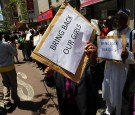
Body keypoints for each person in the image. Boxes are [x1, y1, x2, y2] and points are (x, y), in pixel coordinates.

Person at [87, 9, 134, 115]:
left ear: (126, 20)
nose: (115, 21)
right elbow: (104, 53)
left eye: (119, 19)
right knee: (109, 93)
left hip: (122, 73)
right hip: (109, 72)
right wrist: (97, 51)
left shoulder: (132, 35)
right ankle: (109, 111)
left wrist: (128, 56)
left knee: (120, 98)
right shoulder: (110, 33)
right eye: (115, 18)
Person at [44, 41, 102, 115]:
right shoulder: (57, 64)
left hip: (85, 110)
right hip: (65, 108)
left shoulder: (86, 60)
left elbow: (97, 81)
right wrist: (48, 76)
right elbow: (51, 83)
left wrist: (93, 62)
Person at [0, 33, 20, 113]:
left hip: (1, 68)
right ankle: (15, 98)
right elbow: (14, 52)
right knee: (13, 84)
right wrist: (13, 44)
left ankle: (6, 100)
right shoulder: (6, 45)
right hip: (9, 67)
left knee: (5, 84)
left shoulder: (5, 45)